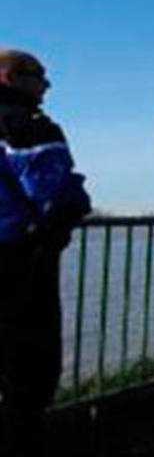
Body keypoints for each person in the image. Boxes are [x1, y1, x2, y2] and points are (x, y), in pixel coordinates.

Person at [0, 50, 90, 455]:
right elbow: (54, 193)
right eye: (40, 77)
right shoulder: (27, 125)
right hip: (20, 256)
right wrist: (75, 202)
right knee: (28, 360)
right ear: (10, 77)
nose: (46, 86)